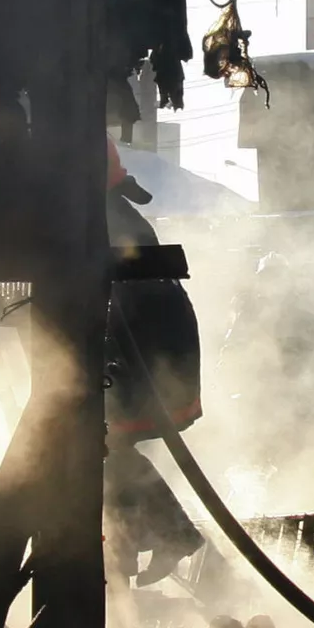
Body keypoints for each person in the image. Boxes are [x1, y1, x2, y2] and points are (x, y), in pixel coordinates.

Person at [105, 147, 205, 586]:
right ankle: (140, 548)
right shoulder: (113, 210)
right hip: (145, 345)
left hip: (144, 349)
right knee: (105, 451)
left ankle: (149, 545)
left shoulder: (101, 216)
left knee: (103, 448)